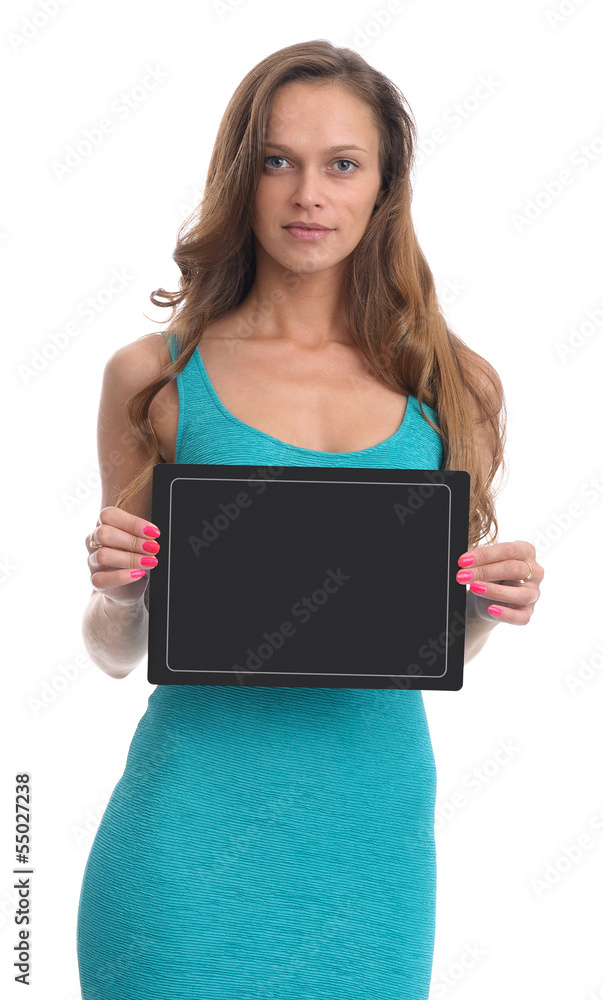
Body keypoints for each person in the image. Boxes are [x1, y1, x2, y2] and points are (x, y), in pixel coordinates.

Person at [76, 39, 543, 1000]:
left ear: (384, 187)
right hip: (185, 842)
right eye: (278, 161)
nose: (307, 195)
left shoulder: (453, 386)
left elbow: (423, 641)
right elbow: (117, 652)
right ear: (240, 176)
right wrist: (119, 594)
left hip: (370, 846)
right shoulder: (155, 377)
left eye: (342, 165)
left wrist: (485, 607)